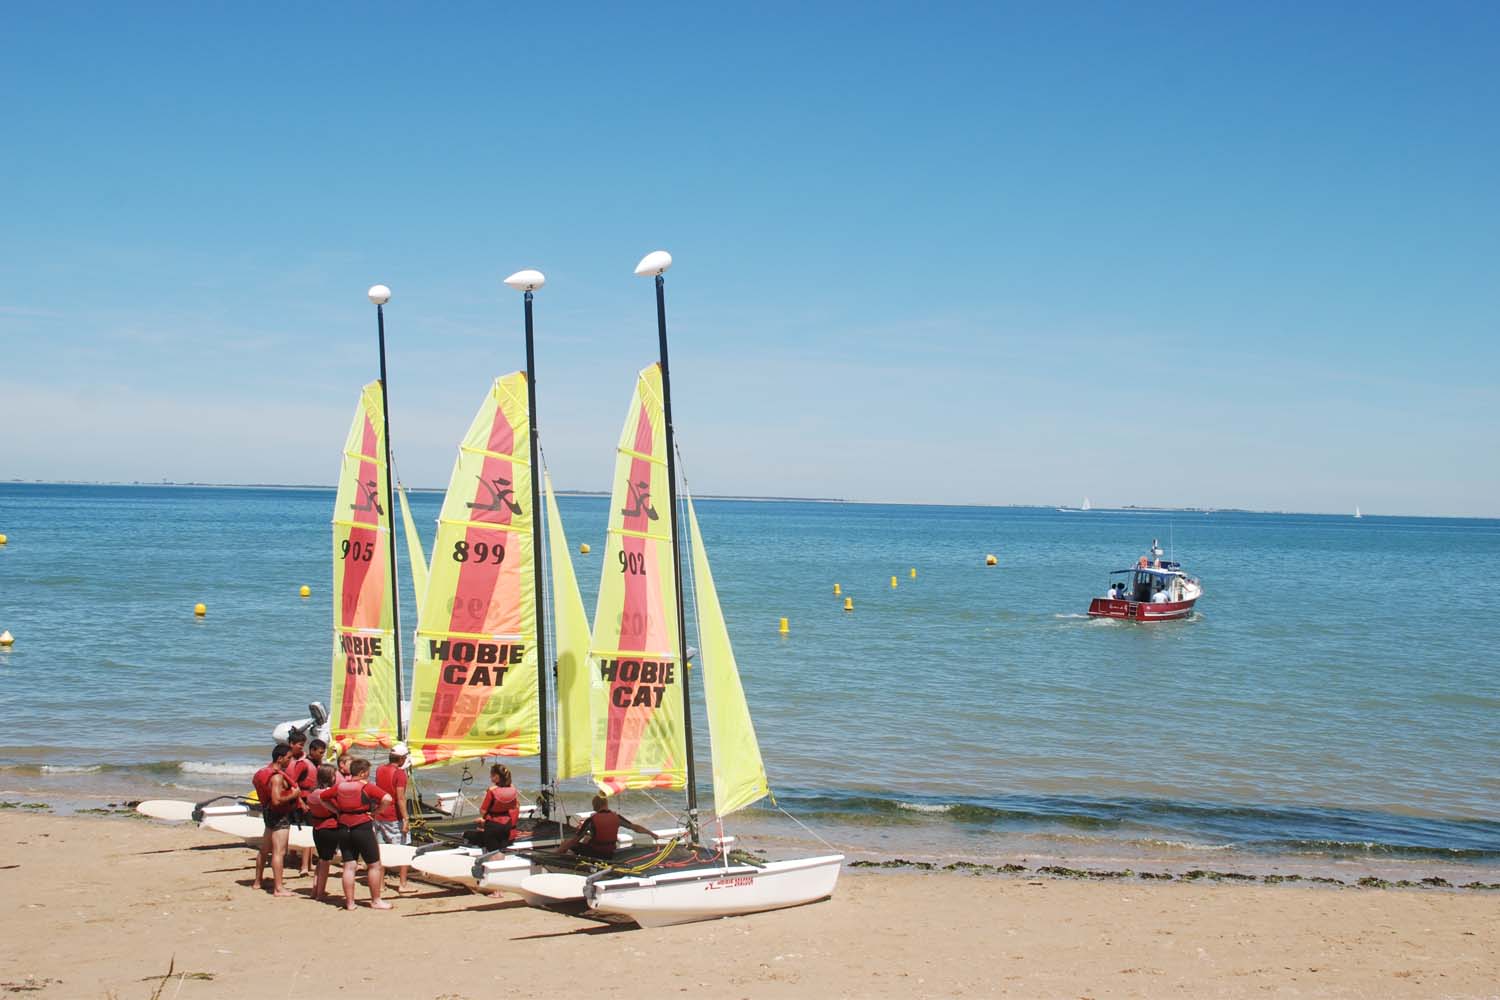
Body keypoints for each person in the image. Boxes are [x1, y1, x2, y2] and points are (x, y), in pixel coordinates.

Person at [318, 757, 393, 911]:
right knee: (374, 865)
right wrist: (377, 812)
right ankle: (376, 900)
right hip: (361, 826)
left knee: (349, 865)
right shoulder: (366, 787)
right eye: (367, 772)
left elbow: (322, 798)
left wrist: (336, 811)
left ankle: (350, 903)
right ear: (362, 772)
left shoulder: (340, 786)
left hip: (343, 826)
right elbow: (387, 798)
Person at [251, 743, 299, 897]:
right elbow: (277, 800)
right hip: (279, 815)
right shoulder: (277, 777)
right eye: (289, 758)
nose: (290, 761)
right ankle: (278, 888)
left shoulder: (261, 772)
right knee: (279, 852)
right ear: (280, 758)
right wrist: (294, 794)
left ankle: (257, 881)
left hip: (267, 812)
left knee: (264, 849)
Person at [560, 794, 657, 860]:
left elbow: (575, 840)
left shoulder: (591, 820)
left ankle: (556, 857)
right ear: (606, 804)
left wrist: (559, 850)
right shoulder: (617, 817)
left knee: (567, 842)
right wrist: (651, 833)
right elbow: (635, 828)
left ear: (594, 806)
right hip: (610, 853)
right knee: (587, 838)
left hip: (596, 853)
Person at [372, 742, 411, 894]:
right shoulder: (400, 773)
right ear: (401, 759)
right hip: (393, 817)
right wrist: (406, 819)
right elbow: (400, 798)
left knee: (381, 850)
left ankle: (380, 885)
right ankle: (403, 884)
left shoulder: (380, 769)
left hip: (380, 814)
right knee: (403, 849)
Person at [304, 763, 340, 902]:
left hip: (317, 827)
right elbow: (337, 808)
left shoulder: (312, 793)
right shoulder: (326, 794)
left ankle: (315, 889)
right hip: (329, 826)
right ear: (330, 777)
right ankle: (320, 892)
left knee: (321, 860)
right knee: (325, 862)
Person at [468, 764, 521, 852]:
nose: (490, 777)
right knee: (501, 849)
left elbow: (482, 811)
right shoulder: (513, 789)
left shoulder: (492, 791)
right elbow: (514, 807)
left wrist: (484, 820)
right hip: (507, 825)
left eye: (491, 775)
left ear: (496, 776)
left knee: (492, 851)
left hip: (493, 826)